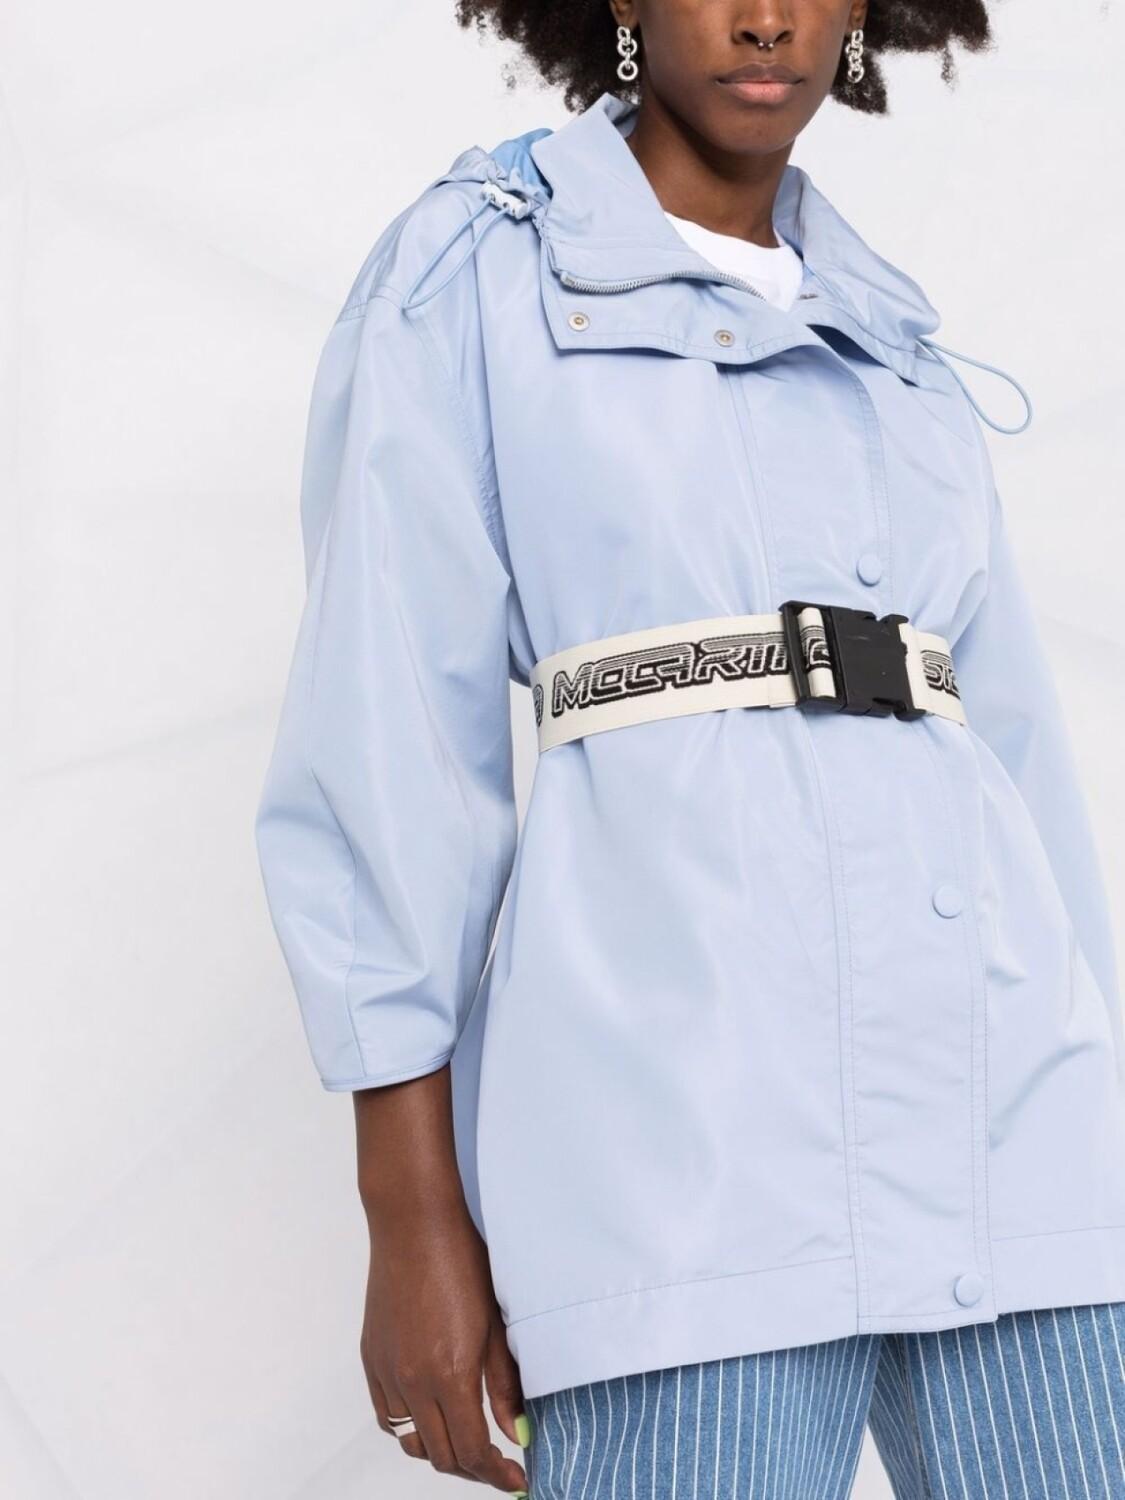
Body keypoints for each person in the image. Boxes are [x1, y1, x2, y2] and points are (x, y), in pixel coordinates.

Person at [253, 3, 1125, 1496]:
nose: (765, 17)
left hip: (1016, 1134)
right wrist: (411, 1217)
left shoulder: (898, 341)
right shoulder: (476, 274)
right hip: (678, 1153)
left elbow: (1016, 762)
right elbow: (387, 733)